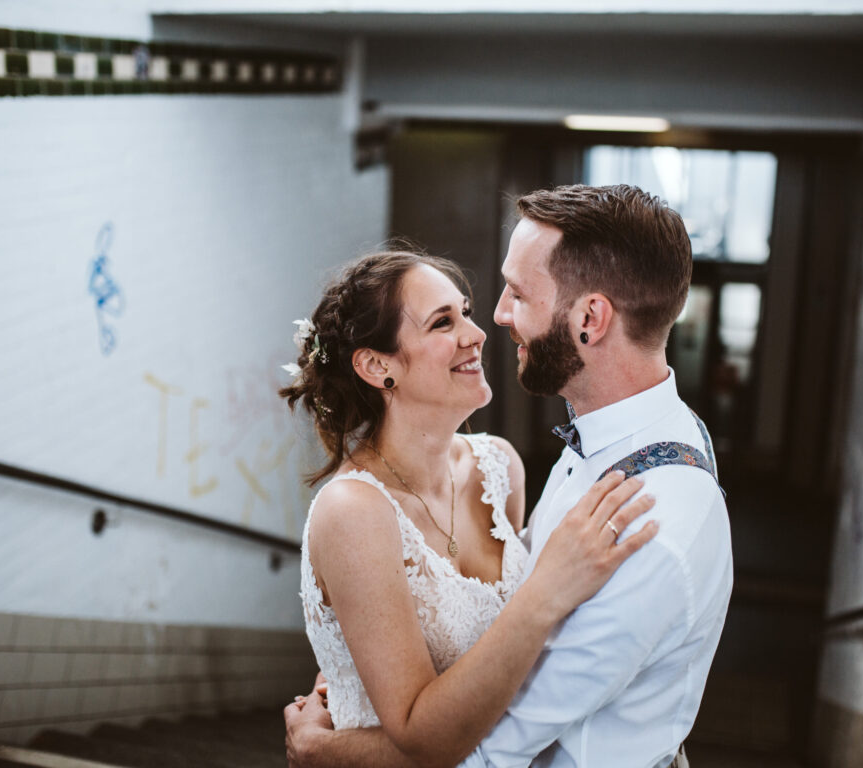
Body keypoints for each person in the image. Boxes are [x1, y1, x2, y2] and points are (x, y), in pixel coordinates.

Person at [286, 185, 734, 768]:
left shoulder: (639, 521)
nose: (491, 322)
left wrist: (331, 752)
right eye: (444, 321)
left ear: (590, 319)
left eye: (517, 294)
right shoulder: (613, 444)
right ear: (377, 367)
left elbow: (493, 750)